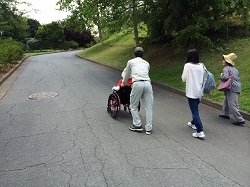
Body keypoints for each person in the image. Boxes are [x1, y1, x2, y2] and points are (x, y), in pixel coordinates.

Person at [121, 47, 154, 135]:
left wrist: (124, 83)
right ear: (142, 54)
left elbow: (127, 74)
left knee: (133, 105)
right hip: (147, 83)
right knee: (148, 107)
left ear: (134, 54)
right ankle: (149, 128)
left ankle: (137, 125)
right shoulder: (146, 63)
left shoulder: (131, 62)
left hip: (137, 83)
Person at [181, 49, 205, 139]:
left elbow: (184, 78)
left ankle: (200, 130)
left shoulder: (188, 66)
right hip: (199, 92)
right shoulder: (201, 65)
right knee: (195, 108)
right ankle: (193, 123)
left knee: (194, 111)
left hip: (191, 92)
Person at [219, 53, 245, 126]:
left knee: (232, 104)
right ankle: (225, 114)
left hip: (231, 87)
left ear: (227, 61)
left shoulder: (226, 69)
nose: (223, 61)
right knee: (227, 101)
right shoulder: (235, 69)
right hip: (236, 87)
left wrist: (221, 76)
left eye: (224, 60)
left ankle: (240, 119)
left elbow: (225, 77)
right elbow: (238, 79)